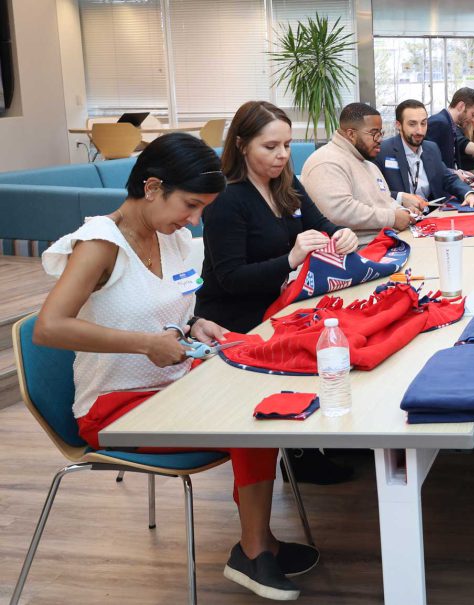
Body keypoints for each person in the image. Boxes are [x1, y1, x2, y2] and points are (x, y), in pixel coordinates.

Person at [34, 133, 319, 600]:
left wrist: (195, 325)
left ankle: (259, 542)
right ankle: (252, 551)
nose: (194, 219)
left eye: (201, 209)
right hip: (114, 409)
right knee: (249, 422)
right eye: (189, 205)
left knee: (263, 399)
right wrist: (145, 343)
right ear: (151, 188)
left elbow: (169, 312)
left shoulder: (173, 238)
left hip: (170, 387)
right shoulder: (100, 244)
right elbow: (49, 328)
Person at [197, 101, 362, 488]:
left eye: (287, 145)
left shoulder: (286, 183)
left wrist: (342, 236)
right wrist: (290, 259)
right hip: (236, 319)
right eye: (270, 147)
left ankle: (310, 440)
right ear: (241, 145)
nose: (282, 155)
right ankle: (298, 449)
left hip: (281, 307)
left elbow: (321, 225)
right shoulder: (227, 199)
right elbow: (231, 278)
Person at [302, 102, 416, 245]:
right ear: (351, 134)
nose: (380, 139)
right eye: (374, 133)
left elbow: (385, 201)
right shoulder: (326, 162)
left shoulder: (369, 164)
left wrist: (403, 211)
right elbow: (340, 211)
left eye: (380, 133)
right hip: (354, 252)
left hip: (385, 242)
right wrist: (392, 217)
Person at [375, 99, 474, 208]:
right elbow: (374, 193)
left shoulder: (431, 148)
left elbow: (448, 178)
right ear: (398, 125)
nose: (420, 130)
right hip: (401, 218)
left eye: (423, 123)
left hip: (430, 214)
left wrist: (468, 194)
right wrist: (400, 197)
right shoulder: (383, 151)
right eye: (412, 124)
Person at [426, 87, 474, 171]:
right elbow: (431, 163)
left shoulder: (450, 125)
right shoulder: (439, 123)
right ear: (461, 106)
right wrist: (454, 173)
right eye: (473, 114)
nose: (473, 119)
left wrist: (459, 173)